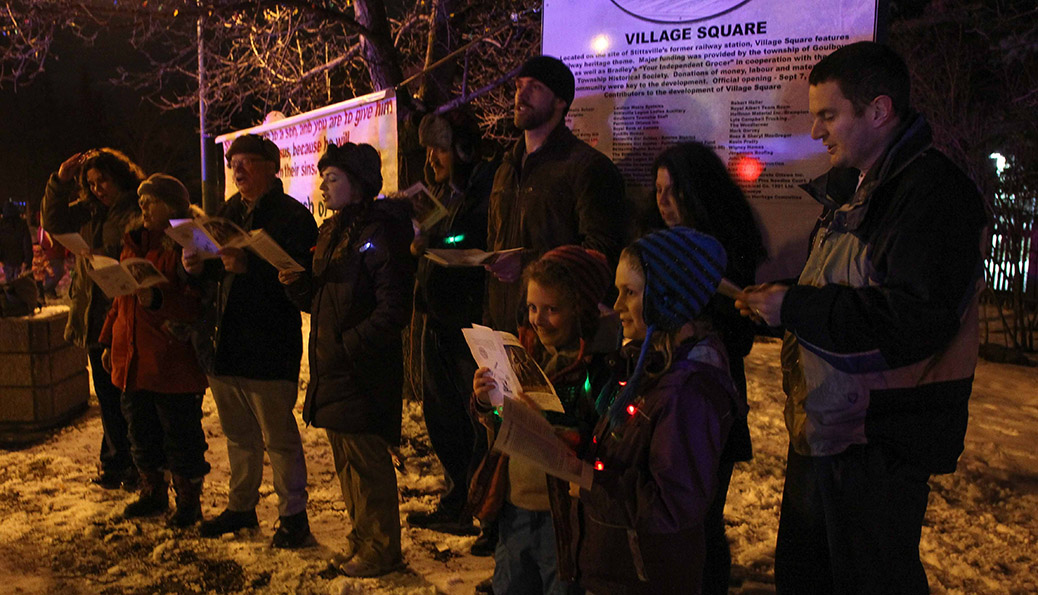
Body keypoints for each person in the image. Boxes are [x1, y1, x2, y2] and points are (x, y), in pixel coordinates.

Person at [735, 42, 988, 594]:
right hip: (831, 432)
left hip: (879, 444)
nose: (817, 131)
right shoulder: (858, 190)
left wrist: (795, 307)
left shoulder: (930, 195)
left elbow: (913, 323)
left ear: (878, 110)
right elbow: (845, 290)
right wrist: (780, 306)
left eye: (828, 115)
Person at [577, 227, 744, 595]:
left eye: (630, 293)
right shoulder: (649, 367)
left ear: (669, 300)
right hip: (619, 572)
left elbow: (673, 504)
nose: (616, 305)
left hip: (647, 578)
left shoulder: (687, 394)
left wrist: (591, 482)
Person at [280, 142, 414, 577]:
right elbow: (323, 301)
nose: (323, 185)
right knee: (347, 464)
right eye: (323, 177)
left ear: (358, 186)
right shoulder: (333, 230)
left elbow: (393, 309)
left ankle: (381, 550)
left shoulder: (380, 232)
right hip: (335, 370)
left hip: (362, 371)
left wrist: (347, 345)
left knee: (368, 465)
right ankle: (362, 539)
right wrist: (295, 285)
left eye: (333, 177)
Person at [183, 134, 318, 549]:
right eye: (233, 163)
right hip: (226, 344)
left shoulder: (292, 217)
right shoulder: (226, 212)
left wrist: (249, 267)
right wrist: (196, 265)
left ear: (271, 167)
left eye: (247, 162)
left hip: (268, 344)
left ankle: (294, 516)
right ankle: (241, 507)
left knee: (278, 438)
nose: (238, 169)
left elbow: (301, 282)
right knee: (239, 435)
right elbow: (213, 276)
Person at [651, 141, 767, 594]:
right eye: (658, 190)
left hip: (706, 399)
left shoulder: (727, 248)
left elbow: (740, 339)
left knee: (701, 517)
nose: (663, 201)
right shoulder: (653, 241)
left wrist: (703, 315)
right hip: (661, 395)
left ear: (697, 192)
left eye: (673, 191)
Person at [470, 245, 614, 595]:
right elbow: (501, 427)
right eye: (533, 307)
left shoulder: (596, 369)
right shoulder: (526, 354)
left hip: (562, 516)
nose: (538, 319)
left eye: (553, 310)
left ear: (579, 310)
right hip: (516, 506)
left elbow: (598, 439)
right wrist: (486, 401)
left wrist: (547, 425)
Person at [98, 174, 210, 527]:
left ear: (173, 206)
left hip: (170, 361)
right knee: (141, 432)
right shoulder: (132, 242)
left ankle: (188, 501)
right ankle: (152, 493)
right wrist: (107, 340)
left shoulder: (189, 242)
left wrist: (160, 298)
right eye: (142, 201)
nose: (143, 206)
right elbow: (121, 299)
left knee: (180, 437)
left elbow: (198, 303)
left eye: (152, 201)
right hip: (132, 358)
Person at [485, 55, 627, 335]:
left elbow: (601, 253)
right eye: (519, 86)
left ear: (560, 102)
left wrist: (526, 263)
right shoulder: (506, 168)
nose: (521, 95)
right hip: (504, 330)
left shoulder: (587, 168)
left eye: (534, 87)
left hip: (556, 335)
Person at [407, 110, 496, 537]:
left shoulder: (486, 187)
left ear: (462, 149)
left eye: (440, 148)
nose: (433, 158)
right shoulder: (445, 192)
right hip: (438, 315)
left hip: (470, 319)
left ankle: (477, 503)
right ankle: (457, 496)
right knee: (442, 416)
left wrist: (442, 239)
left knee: (474, 417)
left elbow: (478, 238)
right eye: (429, 149)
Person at [42, 148, 145, 491]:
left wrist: (108, 257)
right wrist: (60, 180)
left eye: (103, 180)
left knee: (126, 395)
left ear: (119, 176)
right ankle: (115, 461)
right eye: (92, 183)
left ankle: (135, 463)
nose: (99, 188)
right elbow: (53, 222)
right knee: (106, 394)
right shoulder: (89, 211)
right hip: (94, 311)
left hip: (124, 313)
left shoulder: (135, 208)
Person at [0, 200, 32, 284]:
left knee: (10, 285)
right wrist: (27, 261)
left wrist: (1, 260)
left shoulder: (1, 226)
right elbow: (27, 244)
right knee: (20, 285)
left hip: (7, 261)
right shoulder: (22, 225)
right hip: (20, 261)